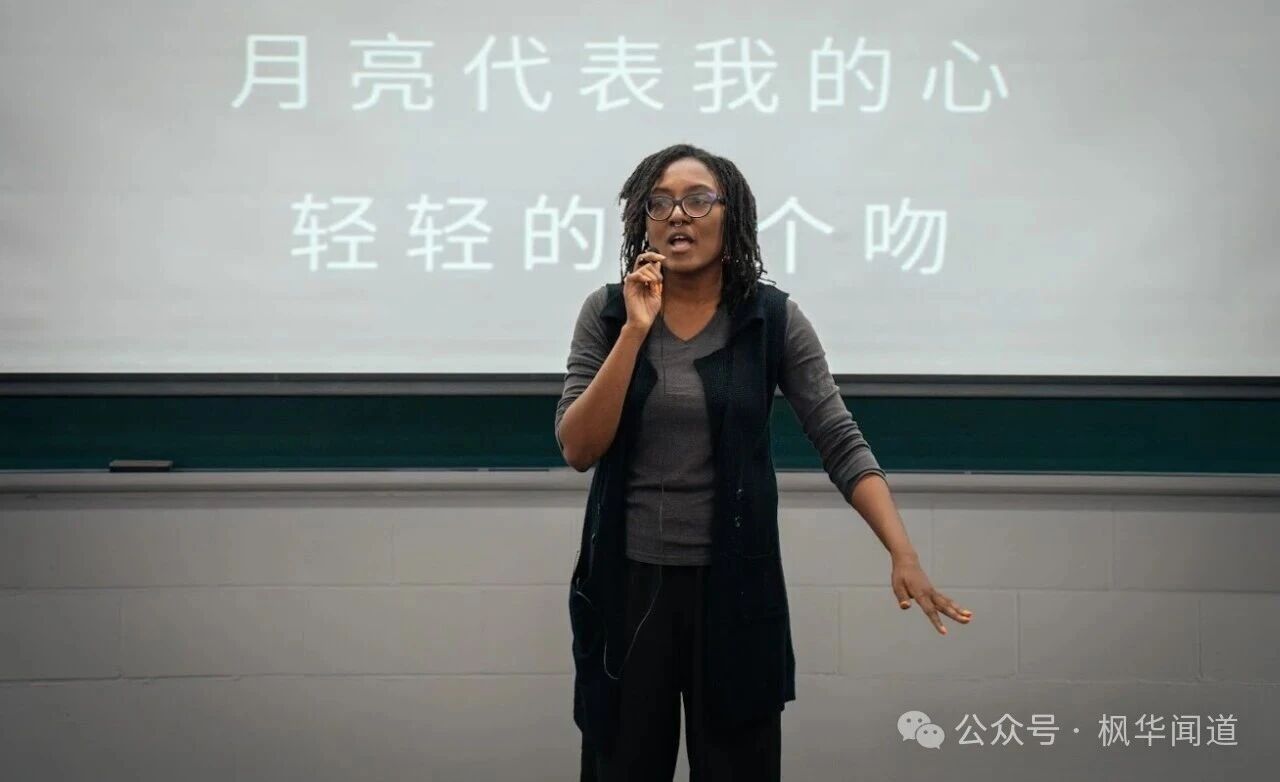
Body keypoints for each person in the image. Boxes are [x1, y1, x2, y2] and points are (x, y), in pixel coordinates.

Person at [555, 143, 972, 781]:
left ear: (734, 216)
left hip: (735, 592)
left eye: (698, 200)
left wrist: (903, 552)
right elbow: (578, 447)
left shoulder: (771, 320)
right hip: (628, 587)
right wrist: (636, 331)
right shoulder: (609, 314)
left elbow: (839, 439)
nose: (678, 215)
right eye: (659, 203)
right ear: (642, 221)